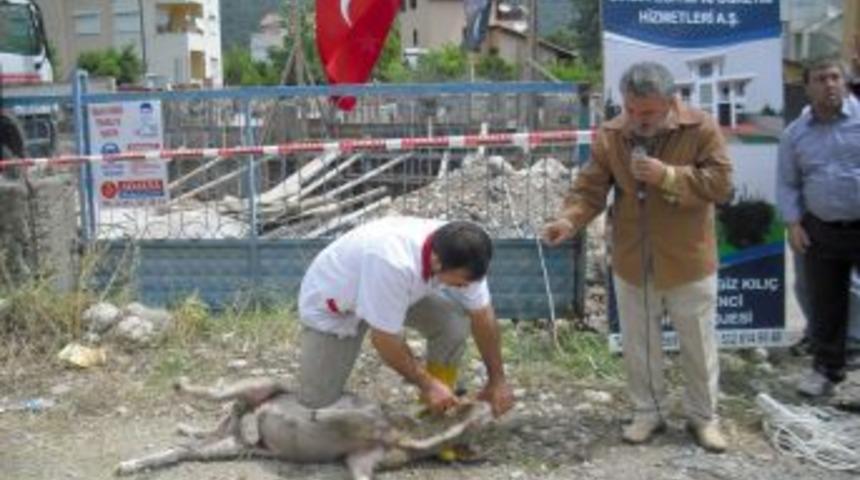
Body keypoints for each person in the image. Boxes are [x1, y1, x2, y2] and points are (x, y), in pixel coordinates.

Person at [543, 62, 732, 452]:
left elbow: (721, 185)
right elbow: (589, 190)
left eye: (647, 112)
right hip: (633, 258)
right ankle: (649, 413)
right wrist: (568, 220)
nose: (637, 119)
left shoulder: (701, 128)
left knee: (698, 343)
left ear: (669, 102)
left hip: (688, 259)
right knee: (639, 344)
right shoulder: (611, 135)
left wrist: (668, 176)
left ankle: (704, 418)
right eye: (631, 109)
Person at [297, 216, 515, 428]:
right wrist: (426, 383)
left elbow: (482, 315)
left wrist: (497, 380)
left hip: (397, 291)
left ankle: (437, 414)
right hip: (336, 306)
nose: (465, 287)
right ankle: (430, 394)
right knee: (316, 404)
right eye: (460, 283)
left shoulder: (468, 250)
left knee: (453, 323)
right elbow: (384, 339)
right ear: (436, 262)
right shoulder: (393, 260)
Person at [777, 56, 860, 397]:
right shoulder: (795, 135)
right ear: (807, 86)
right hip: (821, 228)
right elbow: (787, 183)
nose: (829, 84)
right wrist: (794, 222)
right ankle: (826, 371)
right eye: (821, 78)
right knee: (825, 302)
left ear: (845, 81)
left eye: (835, 77)